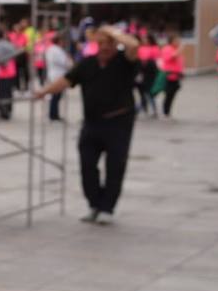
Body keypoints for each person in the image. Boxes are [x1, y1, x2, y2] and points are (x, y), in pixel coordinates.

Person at [35, 24, 140, 224]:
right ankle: (94, 204)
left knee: (115, 166)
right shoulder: (87, 63)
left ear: (115, 44)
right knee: (87, 165)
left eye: (108, 43)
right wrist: (44, 92)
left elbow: (133, 45)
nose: (104, 47)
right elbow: (66, 80)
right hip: (92, 123)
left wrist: (114, 33)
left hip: (118, 123)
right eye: (100, 43)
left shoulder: (124, 62)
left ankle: (107, 207)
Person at [44, 31, 72, 122]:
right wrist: (69, 61)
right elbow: (65, 62)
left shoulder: (51, 49)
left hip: (54, 74)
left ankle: (54, 114)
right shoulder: (57, 50)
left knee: (56, 96)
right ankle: (53, 115)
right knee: (56, 96)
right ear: (59, 41)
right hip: (57, 75)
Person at [159, 34, 185, 118]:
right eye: (176, 41)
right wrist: (179, 50)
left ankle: (168, 111)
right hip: (169, 76)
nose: (178, 42)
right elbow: (171, 57)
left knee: (173, 94)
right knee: (168, 94)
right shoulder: (167, 49)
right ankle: (165, 111)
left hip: (176, 76)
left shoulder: (176, 49)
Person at [135, 31, 160, 117]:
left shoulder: (154, 48)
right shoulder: (139, 48)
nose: (144, 40)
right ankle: (143, 109)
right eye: (143, 39)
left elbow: (156, 61)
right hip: (141, 73)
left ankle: (153, 109)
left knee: (149, 92)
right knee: (142, 93)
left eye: (145, 38)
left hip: (150, 73)